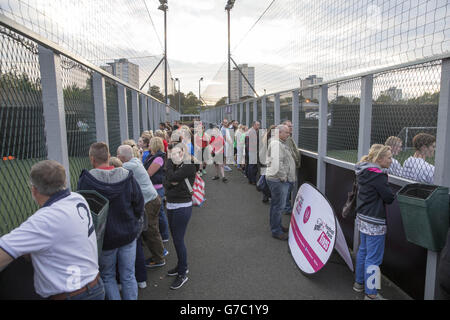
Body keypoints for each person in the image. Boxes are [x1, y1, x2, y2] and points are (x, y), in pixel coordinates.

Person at [0, 160, 104, 300]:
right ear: (64, 182)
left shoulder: (45, 220)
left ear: (34, 190)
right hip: (95, 285)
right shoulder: (77, 198)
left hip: (73, 295)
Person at [77, 142, 144, 300]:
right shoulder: (127, 176)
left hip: (105, 237)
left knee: (108, 276)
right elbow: (139, 203)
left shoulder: (86, 180)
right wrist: (132, 222)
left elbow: (83, 212)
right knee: (128, 275)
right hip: (127, 233)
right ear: (109, 156)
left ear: (92, 159)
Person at [117, 145, 165, 287]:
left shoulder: (127, 166)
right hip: (153, 198)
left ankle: (159, 257)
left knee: (150, 230)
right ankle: (160, 253)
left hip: (149, 201)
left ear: (121, 157)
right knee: (152, 229)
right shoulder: (136, 162)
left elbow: (115, 170)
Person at [353, 144, 395, 300]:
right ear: (380, 159)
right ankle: (371, 293)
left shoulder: (363, 170)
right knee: (374, 257)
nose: (391, 160)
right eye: (389, 158)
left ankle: (359, 283)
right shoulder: (378, 175)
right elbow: (389, 198)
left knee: (363, 251)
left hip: (362, 217)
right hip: (375, 221)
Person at [164, 138, 197, 290]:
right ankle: (180, 265)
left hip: (182, 205)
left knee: (178, 239)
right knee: (176, 238)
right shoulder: (176, 165)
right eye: (171, 153)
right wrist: (172, 181)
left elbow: (171, 178)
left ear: (183, 152)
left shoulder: (189, 165)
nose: (173, 155)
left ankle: (183, 272)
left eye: (176, 152)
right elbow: (167, 182)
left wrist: (171, 174)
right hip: (170, 204)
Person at [265, 125, 296, 240]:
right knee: (278, 206)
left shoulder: (277, 143)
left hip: (277, 179)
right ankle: (276, 231)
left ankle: (276, 226)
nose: (289, 134)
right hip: (278, 180)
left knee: (276, 205)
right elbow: (277, 164)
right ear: (279, 133)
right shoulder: (276, 144)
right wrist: (284, 177)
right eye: (287, 132)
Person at [145, 137, 170, 243]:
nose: (148, 145)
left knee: (160, 213)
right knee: (158, 213)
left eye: (150, 143)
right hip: (154, 187)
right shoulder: (153, 156)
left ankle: (164, 235)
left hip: (157, 188)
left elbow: (149, 173)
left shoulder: (159, 158)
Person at [282, 120, 301, 215]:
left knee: (288, 188)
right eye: (289, 126)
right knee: (287, 189)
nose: (291, 128)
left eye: (291, 126)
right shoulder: (286, 139)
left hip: (290, 168)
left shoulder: (288, 137)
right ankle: (286, 208)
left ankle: (286, 207)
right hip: (287, 169)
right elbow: (290, 153)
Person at [245, 121, 261, 185]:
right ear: (254, 125)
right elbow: (254, 143)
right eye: (257, 125)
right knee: (252, 166)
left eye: (259, 125)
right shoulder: (252, 132)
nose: (259, 126)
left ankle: (250, 179)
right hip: (252, 151)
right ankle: (253, 180)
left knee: (250, 165)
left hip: (250, 150)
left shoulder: (250, 131)